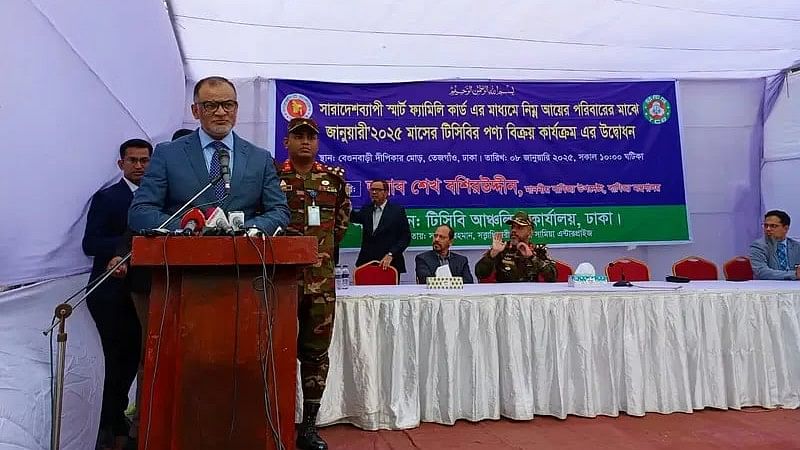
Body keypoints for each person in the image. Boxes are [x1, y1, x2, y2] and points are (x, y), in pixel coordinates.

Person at [128, 76, 289, 234]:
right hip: (185, 254)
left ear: (236, 109)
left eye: (228, 105)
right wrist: (187, 226)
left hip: (244, 253)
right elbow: (141, 211)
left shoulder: (259, 158)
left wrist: (246, 229)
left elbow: (279, 211)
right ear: (195, 111)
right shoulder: (168, 155)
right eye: (210, 106)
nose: (221, 112)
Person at [277, 117, 351, 450]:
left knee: (316, 354)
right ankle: (275, 419)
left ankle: (308, 427)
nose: (305, 142)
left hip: (320, 282)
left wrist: (319, 254)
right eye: (298, 136)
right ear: (287, 142)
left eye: (310, 137)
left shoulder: (333, 179)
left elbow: (340, 225)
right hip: (282, 281)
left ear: (318, 143)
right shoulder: (275, 178)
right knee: (275, 350)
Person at [82, 138, 152, 450]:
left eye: (144, 160)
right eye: (133, 160)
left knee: (135, 360)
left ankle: (120, 415)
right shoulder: (107, 198)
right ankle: (105, 426)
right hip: (111, 294)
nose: (139, 166)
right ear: (120, 164)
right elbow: (89, 244)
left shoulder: (156, 200)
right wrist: (119, 251)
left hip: (145, 290)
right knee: (114, 361)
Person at [350, 179, 411, 275]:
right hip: (367, 262)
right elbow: (353, 218)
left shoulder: (397, 211)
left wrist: (391, 254)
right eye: (372, 189)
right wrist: (346, 203)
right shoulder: (366, 209)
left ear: (386, 192)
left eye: (378, 190)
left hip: (390, 262)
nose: (374, 192)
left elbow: (405, 237)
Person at [474, 211, 556, 282]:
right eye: (513, 227)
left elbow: (552, 277)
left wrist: (531, 257)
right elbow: (480, 274)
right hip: (505, 295)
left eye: (519, 228)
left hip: (530, 295)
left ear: (530, 232)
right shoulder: (501, 249)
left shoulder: (537, 250)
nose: (513, 230)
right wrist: (492, 254)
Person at [750, 209, 800, 280]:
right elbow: (761, 272)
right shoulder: (758, 246)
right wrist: (794, 274)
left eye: (773, 226)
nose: (768, 229)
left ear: (785, 228)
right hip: (770, 288)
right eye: (766, 225)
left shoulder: (797, 246)